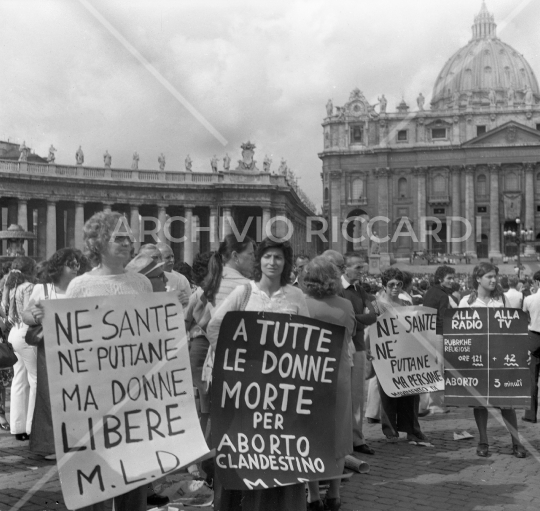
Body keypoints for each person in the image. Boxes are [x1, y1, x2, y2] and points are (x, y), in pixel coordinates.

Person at [207, 237, 308, 511]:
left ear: (286, 262)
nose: (272, 262)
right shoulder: (244, 292)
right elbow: (215, 327)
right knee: (248, 449)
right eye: (266, 257)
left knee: (281, 450)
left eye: (278, 257)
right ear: (259, 261)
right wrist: (235, 364)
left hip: (284, 390)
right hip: (248, 390)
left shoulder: (297, 296)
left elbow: (310, 341)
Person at [66, 212, 153, 511]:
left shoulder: (142, 284)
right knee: (99, 475)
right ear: (98, 243)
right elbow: (68, 343)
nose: (128, 243)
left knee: (135, 474)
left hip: (135, 394)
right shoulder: (80, 287)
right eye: (119, 237)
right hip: (95, 395)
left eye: (130, 237)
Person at [22, 249, 88, 459]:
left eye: (77, 263)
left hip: (76, 349)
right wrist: (36, 315)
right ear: (58, 267)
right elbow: (26, 316)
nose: (76, 267)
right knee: (49, 396)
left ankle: (76, 441)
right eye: (71, 263)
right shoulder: (42, 289)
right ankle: (51, 445)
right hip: (50, 350)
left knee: (76, 395)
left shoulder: (82, 289)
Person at [458, 262, 526, 458]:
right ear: (478, 279)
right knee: (480, 402)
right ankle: (483, 440)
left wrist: (521, 352)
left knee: (507, 402)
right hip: (477, 358)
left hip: (500, 357)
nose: (494, 280)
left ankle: (516, 442)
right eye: (489, 276)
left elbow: (513, 330)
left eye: (495, 276)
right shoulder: (466, 303)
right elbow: (459, 333)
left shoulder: (502, 300)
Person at [303, 257, 355, 511]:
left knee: (310, 435)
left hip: (308, 376)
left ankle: (313, 495)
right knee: (337, 436)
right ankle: (334, 494)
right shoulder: (345, 304)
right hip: (338, 375)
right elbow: (351, 333)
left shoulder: (300, 305)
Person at [371, 268, 428, 443]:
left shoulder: (405, 305)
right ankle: (390, 431)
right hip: (386, 353)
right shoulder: (377, 305)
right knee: (388, 392)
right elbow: (372, 330)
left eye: (399, 284)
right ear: (384, 286)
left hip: (406, 353)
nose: (396, 287)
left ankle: (412, 429)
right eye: (391, 284)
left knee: (412, 391)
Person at [339, 251, 377, 455]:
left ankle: (357, 438)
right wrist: (360, 317)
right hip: (342, 346)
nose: (362, 271)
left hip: (359, 346)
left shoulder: (361, 289)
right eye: (357, 267)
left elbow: (375, 314)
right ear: (345, 267)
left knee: (357, 395)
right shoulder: (337, 289)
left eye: (363, 267)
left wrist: (355, 318)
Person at [2, 257, 37, 441]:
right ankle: (33, 426)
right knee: (35, 380)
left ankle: (18, 427)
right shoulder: (29, 287)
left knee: (19, 380)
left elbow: (8, 315)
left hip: (14, 333)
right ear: (30, 269)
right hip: (26, 333)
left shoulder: (12, 287)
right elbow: (29, 314)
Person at [421, 265, 455, 415]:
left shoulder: (430, 291)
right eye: (449, 278)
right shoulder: (443, 295)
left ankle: (426, 403)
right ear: (440, 279)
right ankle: (435, 404)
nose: (452, 281)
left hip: (427, 332)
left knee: (430, 368)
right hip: (438, 334)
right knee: (439, 369)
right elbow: (442, 318)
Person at [522, 270, 540, 423]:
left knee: (532, 378)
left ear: (537, 282)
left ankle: (530, 415)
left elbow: (523, 317)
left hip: (534, 336)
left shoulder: (529, 299)